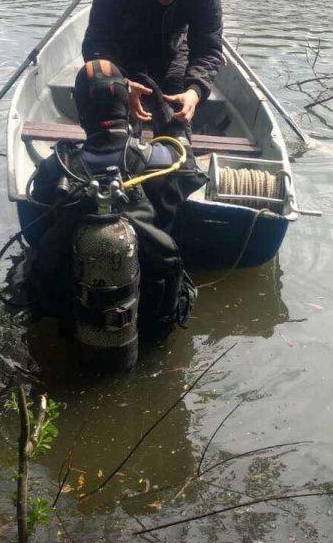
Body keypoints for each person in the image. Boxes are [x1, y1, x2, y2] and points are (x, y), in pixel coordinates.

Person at [23, 60, 201, 346]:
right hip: (151, 314)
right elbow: (191, 170)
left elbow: (37, 229)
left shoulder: (57, 168)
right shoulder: (161, 162)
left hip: (75, 317)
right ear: (126, 106)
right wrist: (167, 117)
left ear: (79, 111)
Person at [82, 0, 224, 129]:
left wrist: (194, 91)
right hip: (122, 56)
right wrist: (121, 85)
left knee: (177, 124)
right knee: (112, 117)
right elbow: (96, 43)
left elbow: (208, 49)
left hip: (173, 55)